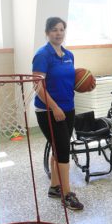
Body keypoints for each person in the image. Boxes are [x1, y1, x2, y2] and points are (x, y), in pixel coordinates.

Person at [33, 17, 94, 211]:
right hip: (49, 110)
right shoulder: (42, 55)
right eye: (54, 30)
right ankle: (67, 194)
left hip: (68, 108)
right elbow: (37, 86)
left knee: (59, 147)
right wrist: (54, 107)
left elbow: (72, 80)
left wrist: (87, 85)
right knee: (63, 151)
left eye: (61, 30)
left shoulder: (69, 55)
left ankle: (54, 188)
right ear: (47, 32)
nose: (58, 33)